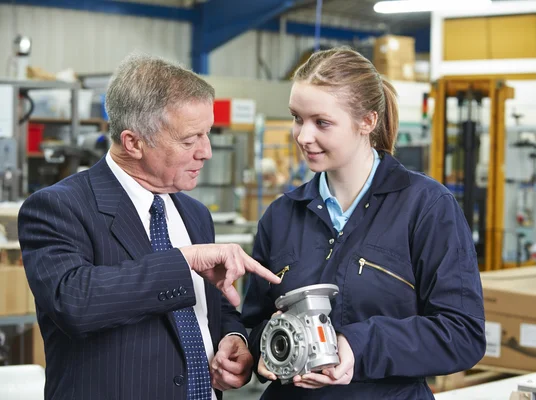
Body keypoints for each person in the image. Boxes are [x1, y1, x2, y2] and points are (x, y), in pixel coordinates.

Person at [18, 54, 280, 400]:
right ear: (133, 142)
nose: (206, 152)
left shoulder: (195, 213)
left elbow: (214, 304)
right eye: (190, 140)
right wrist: (182, 261)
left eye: (207, 134)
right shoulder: (59, 207)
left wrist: (233, 339)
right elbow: (74, 301)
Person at [241, 47, 486, 399]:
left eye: (321, 122)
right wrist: (264, 347)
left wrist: (358, 347)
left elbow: (462, 333)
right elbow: (255, 320)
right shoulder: (281, 216)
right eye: (297, 118)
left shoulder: (427, 208)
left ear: (367, 122)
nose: (303, 136)